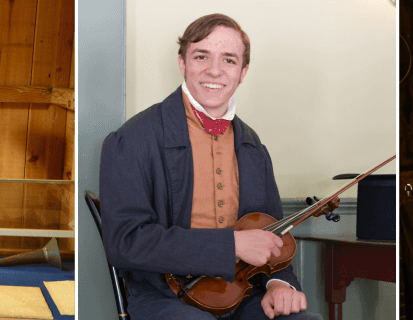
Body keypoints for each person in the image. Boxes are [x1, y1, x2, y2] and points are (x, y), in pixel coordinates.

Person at [99, 13, 314, 320]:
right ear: (182, 63)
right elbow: (126, 243)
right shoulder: (132, 140)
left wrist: (279, 285)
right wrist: (232, 245)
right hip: (165, 297)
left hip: (246, 295)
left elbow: (273, 236)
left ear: (242, 72)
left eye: (229, 60)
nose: (215, 70)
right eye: (202, 56)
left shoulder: (253, 146)